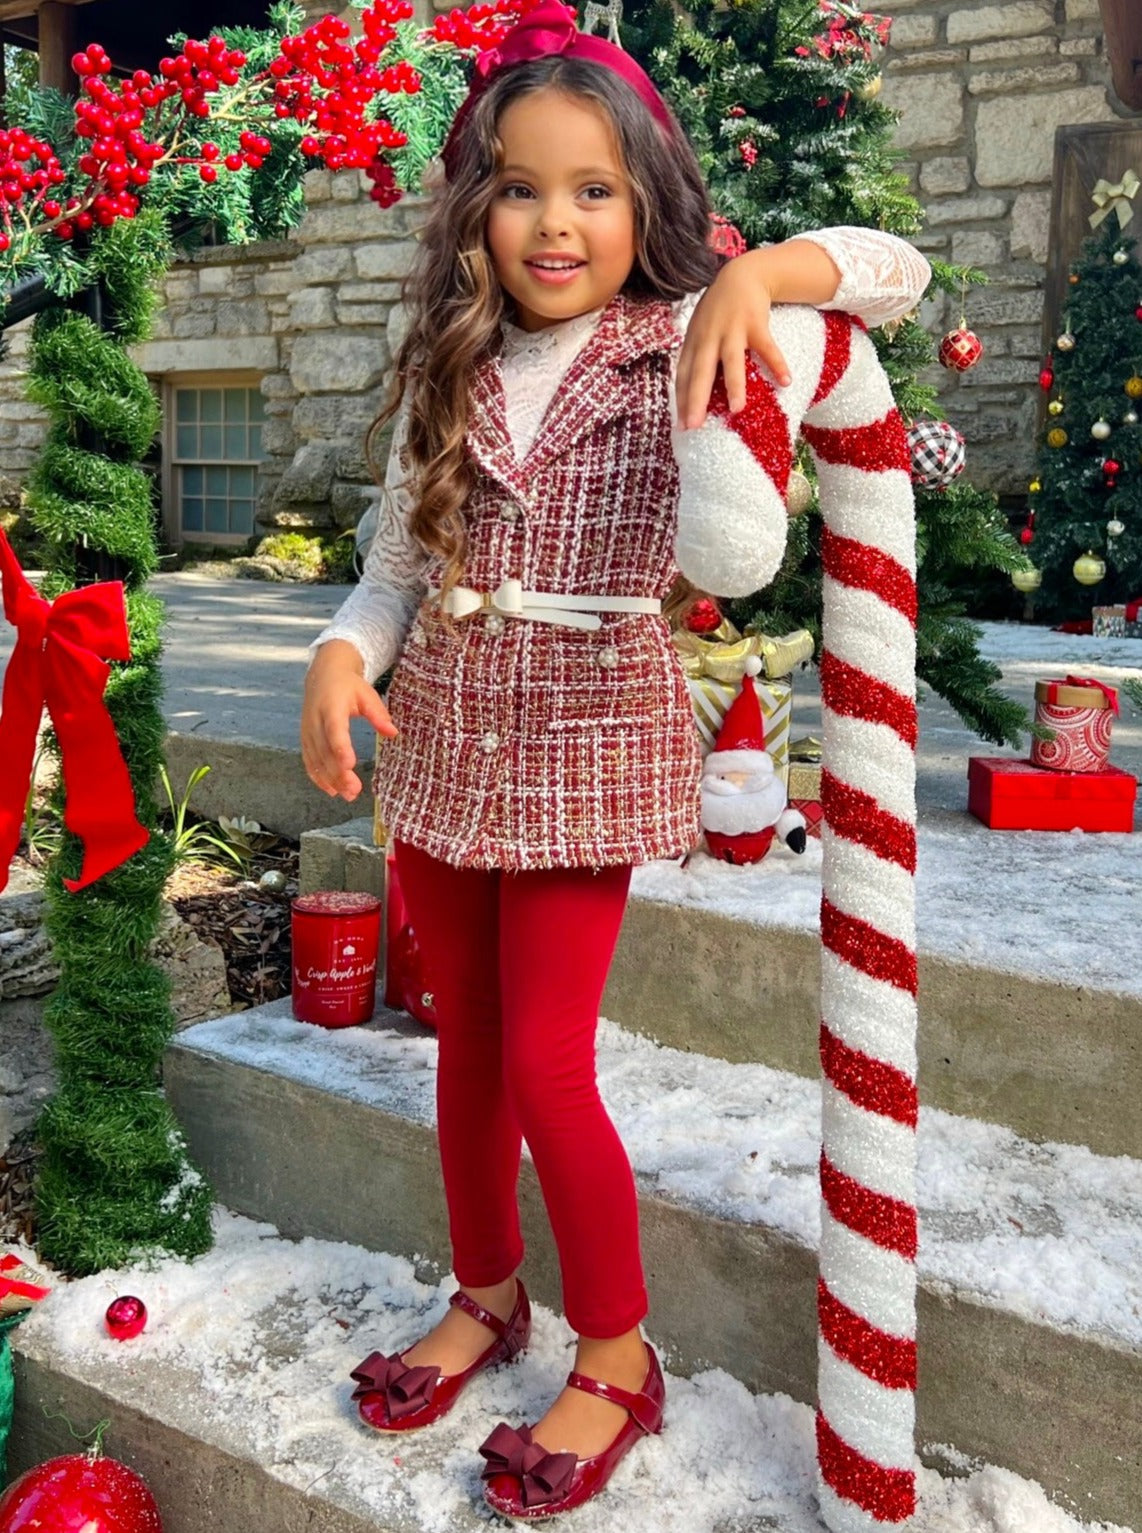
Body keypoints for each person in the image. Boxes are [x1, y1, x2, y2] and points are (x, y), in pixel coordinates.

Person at [301, 1, 930, 1517]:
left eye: (592, 187)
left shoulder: (684, 334)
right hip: (448, 727)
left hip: (586, 730)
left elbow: (894, 279)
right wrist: (338, 654)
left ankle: (616, 1350)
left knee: (544, 1058)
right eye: (519, 185)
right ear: (475, 203)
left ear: (646, 195)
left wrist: (770, 272)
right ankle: (484, 1287)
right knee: (461, 1042)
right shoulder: (457, 356)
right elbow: (394, 566)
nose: (555, 219)